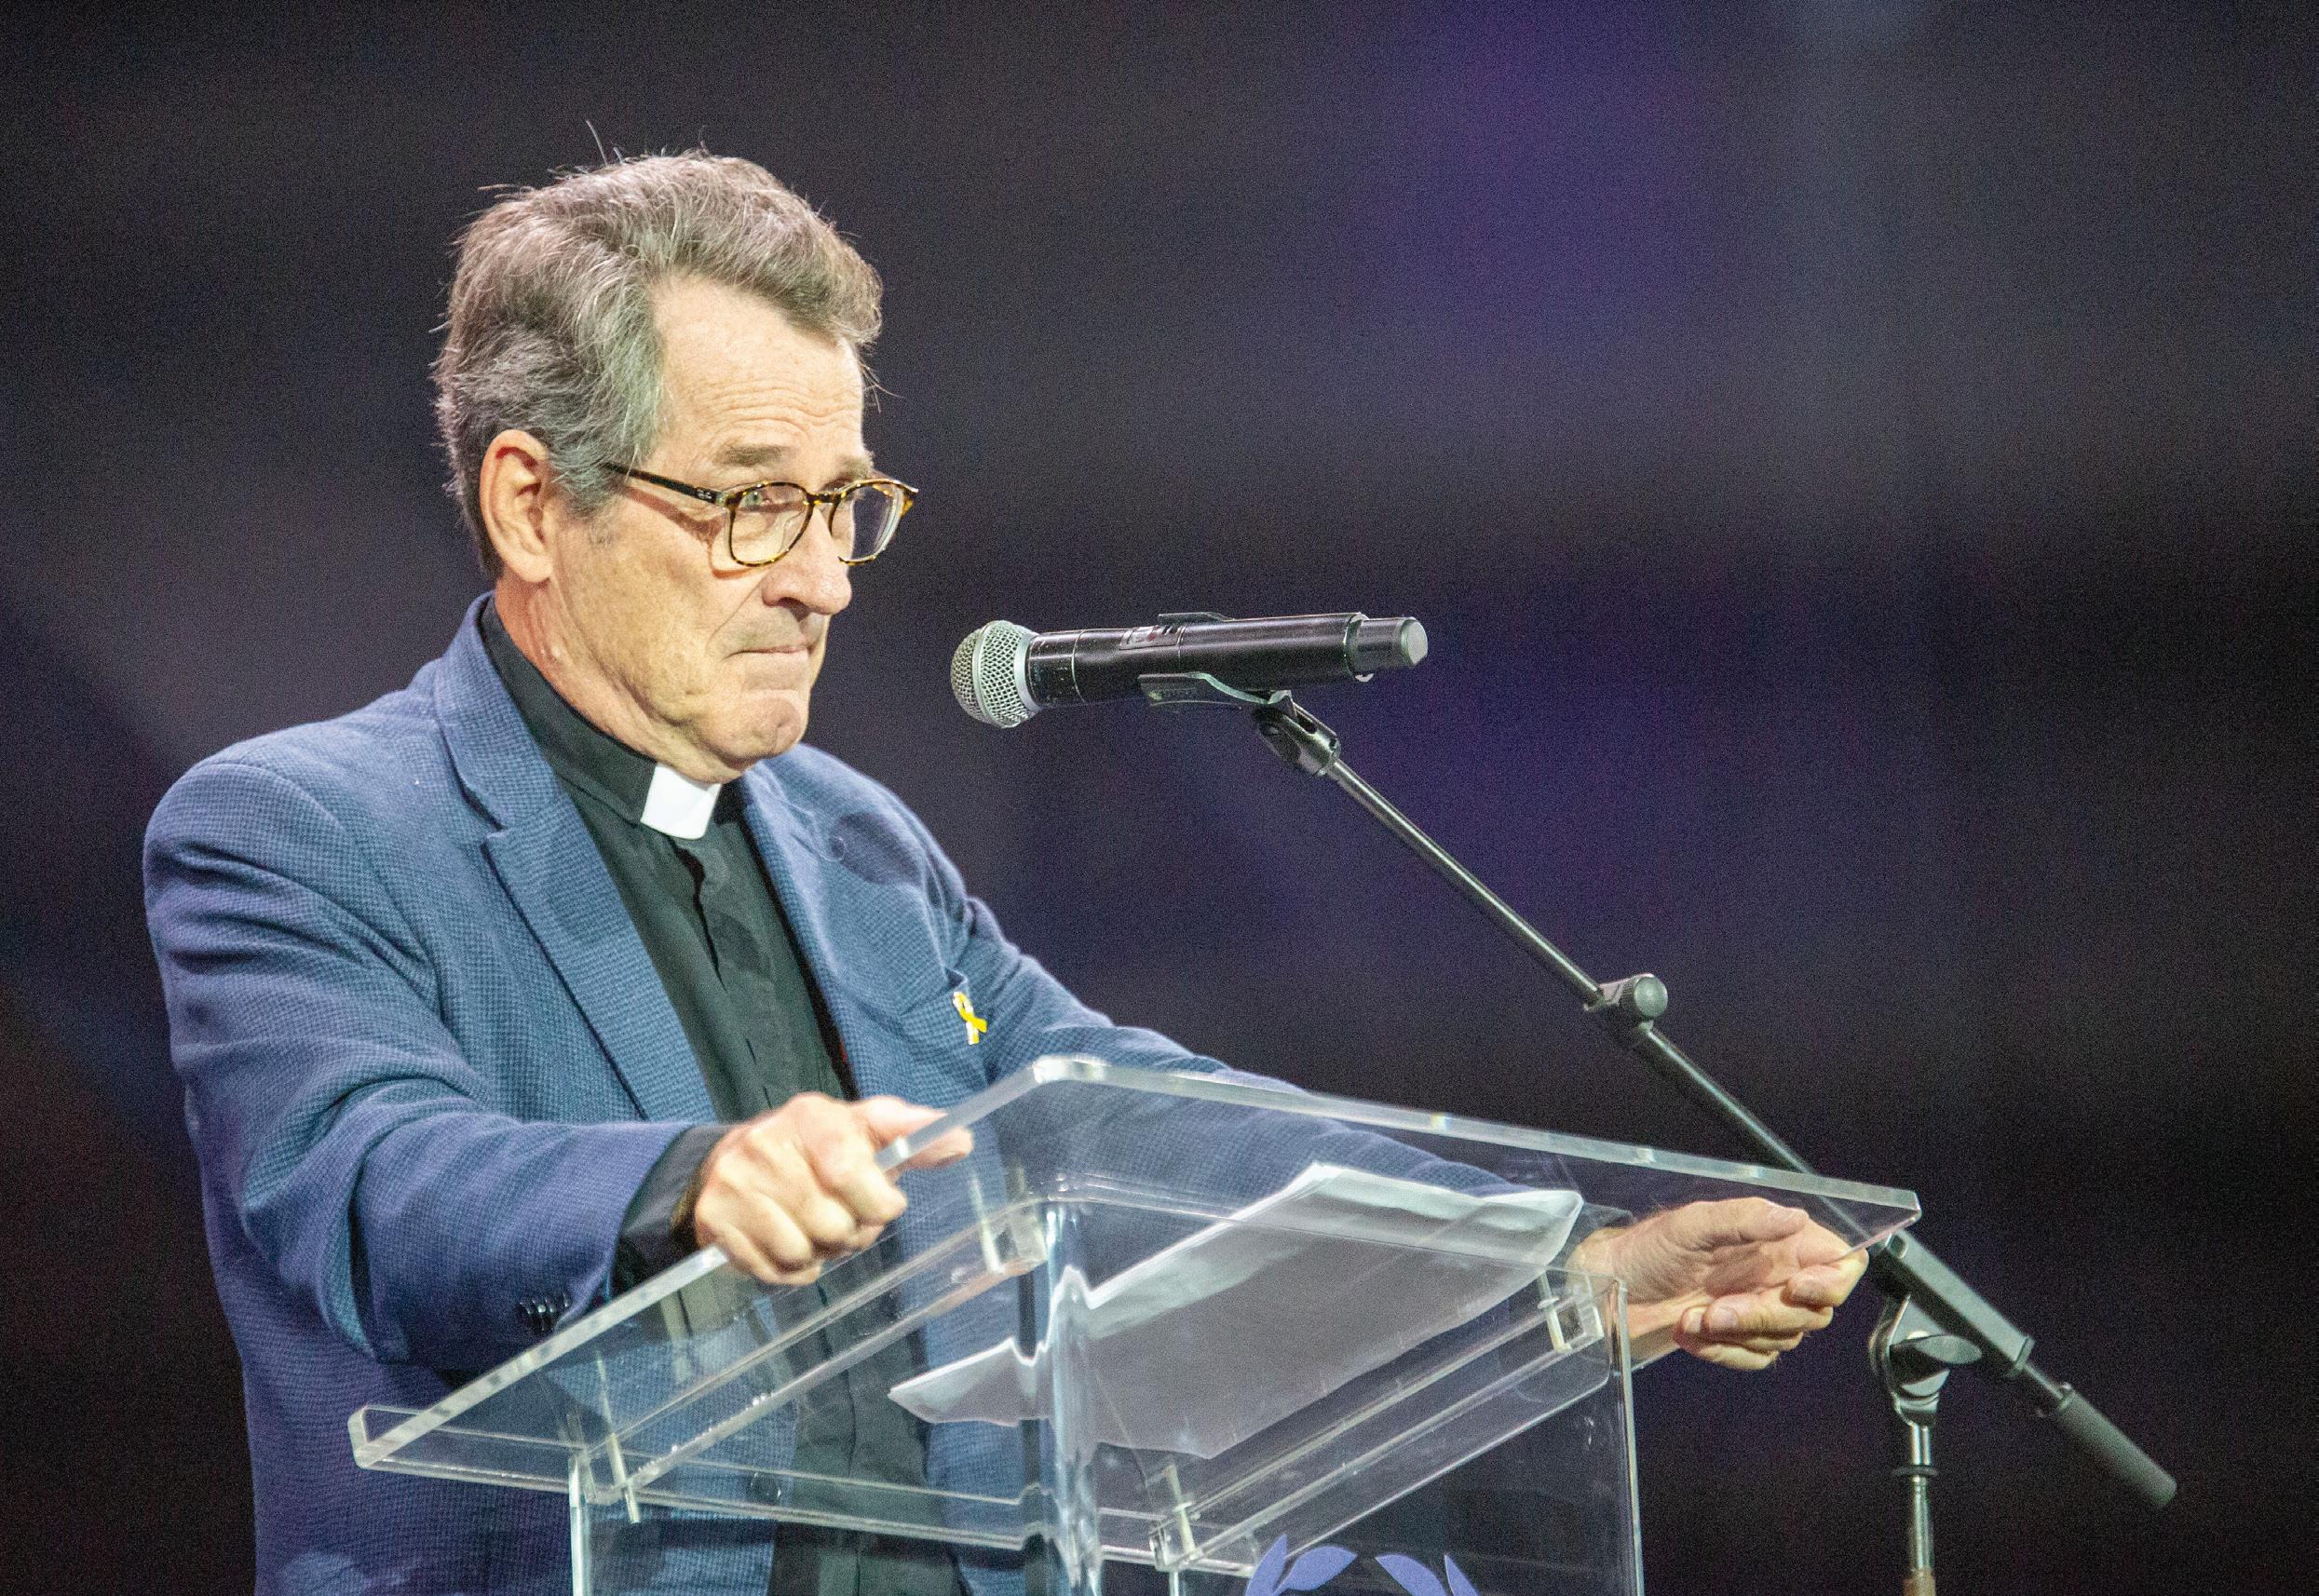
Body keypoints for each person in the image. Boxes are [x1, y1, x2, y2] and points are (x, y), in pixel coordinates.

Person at [143, 153, 1866, 1596]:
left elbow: (1135, 1113)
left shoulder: (857, 840)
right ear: (533, 504)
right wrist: (691, 1178)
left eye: (844, 503)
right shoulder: (298, 829)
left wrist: (1541, 1263)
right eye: (751, 505)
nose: (823, 579)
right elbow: (369, 1177)